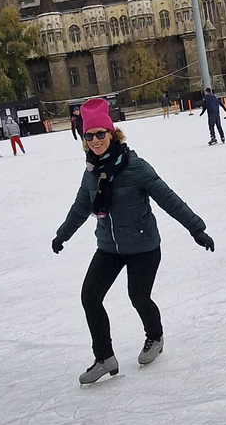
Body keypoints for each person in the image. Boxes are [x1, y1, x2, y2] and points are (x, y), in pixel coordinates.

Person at [51, 97, 215, 385]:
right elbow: (80, 208)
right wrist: (61, 235)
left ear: (112, 133)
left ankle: (155, 336)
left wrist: (195, 228)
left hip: (143, 246)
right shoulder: (91, 173)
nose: (95, 140)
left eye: (100, 134)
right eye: (89, 135)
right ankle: (105, 357)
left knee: (138, 296)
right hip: (110, 247)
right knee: (90, 296)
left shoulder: (134, 166)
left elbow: (167, 197)